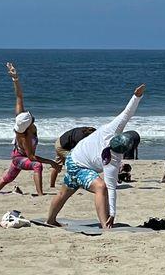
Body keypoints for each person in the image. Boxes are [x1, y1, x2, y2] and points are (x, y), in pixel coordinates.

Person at [46, 84, 145, 229]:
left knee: (64, 193)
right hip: (77, 163)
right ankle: (105, 225)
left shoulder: (114, 159)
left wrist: (113, 212)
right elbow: (126, 113)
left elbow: (113, 188)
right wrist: (136, 97)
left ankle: (50, 220)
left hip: (74, 159)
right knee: (100, 187)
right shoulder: (112, 130)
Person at [0, 63, 61, 196]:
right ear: (29, 124)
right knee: (37, 165)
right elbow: (32, 157)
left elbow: (19, 97)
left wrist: (15, 79)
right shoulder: (25, 137)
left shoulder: (21, 120)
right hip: (19, 158)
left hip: (17, 157)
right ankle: (40, 194)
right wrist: (51, 162)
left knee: (8, 178)